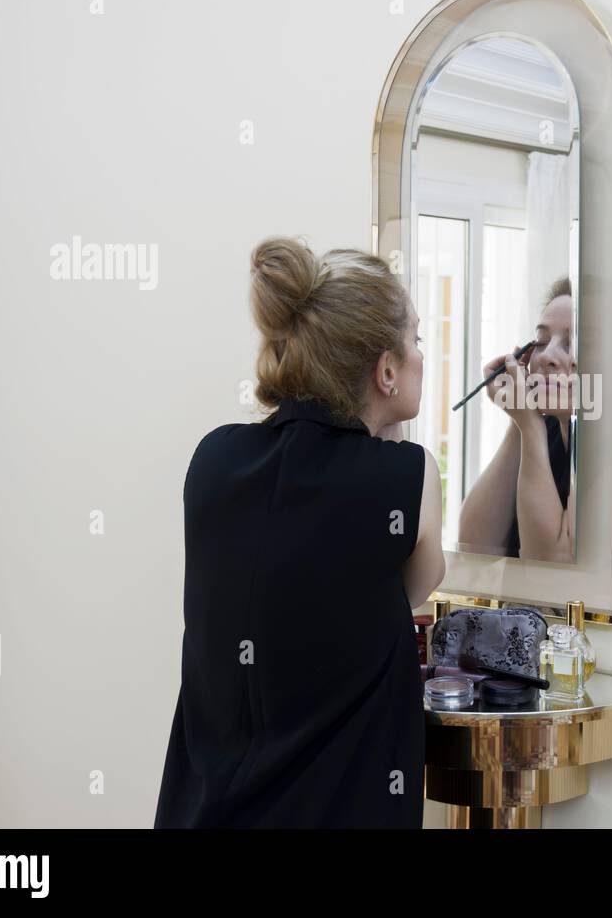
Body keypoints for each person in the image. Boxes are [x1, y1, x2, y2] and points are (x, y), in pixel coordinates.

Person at [154, 238, 445, 828]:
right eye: (415, 339)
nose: (422, 352)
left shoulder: (213, 460)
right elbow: (413, 589)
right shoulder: (407, 477)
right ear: (386, 371)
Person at [458, 277, 576, 563]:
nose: (547, 355)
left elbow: (551, 564)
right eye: (542, 341)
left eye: (570, 344)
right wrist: (518, 420)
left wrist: (529, 424)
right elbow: (475, 547)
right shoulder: (540, 427)